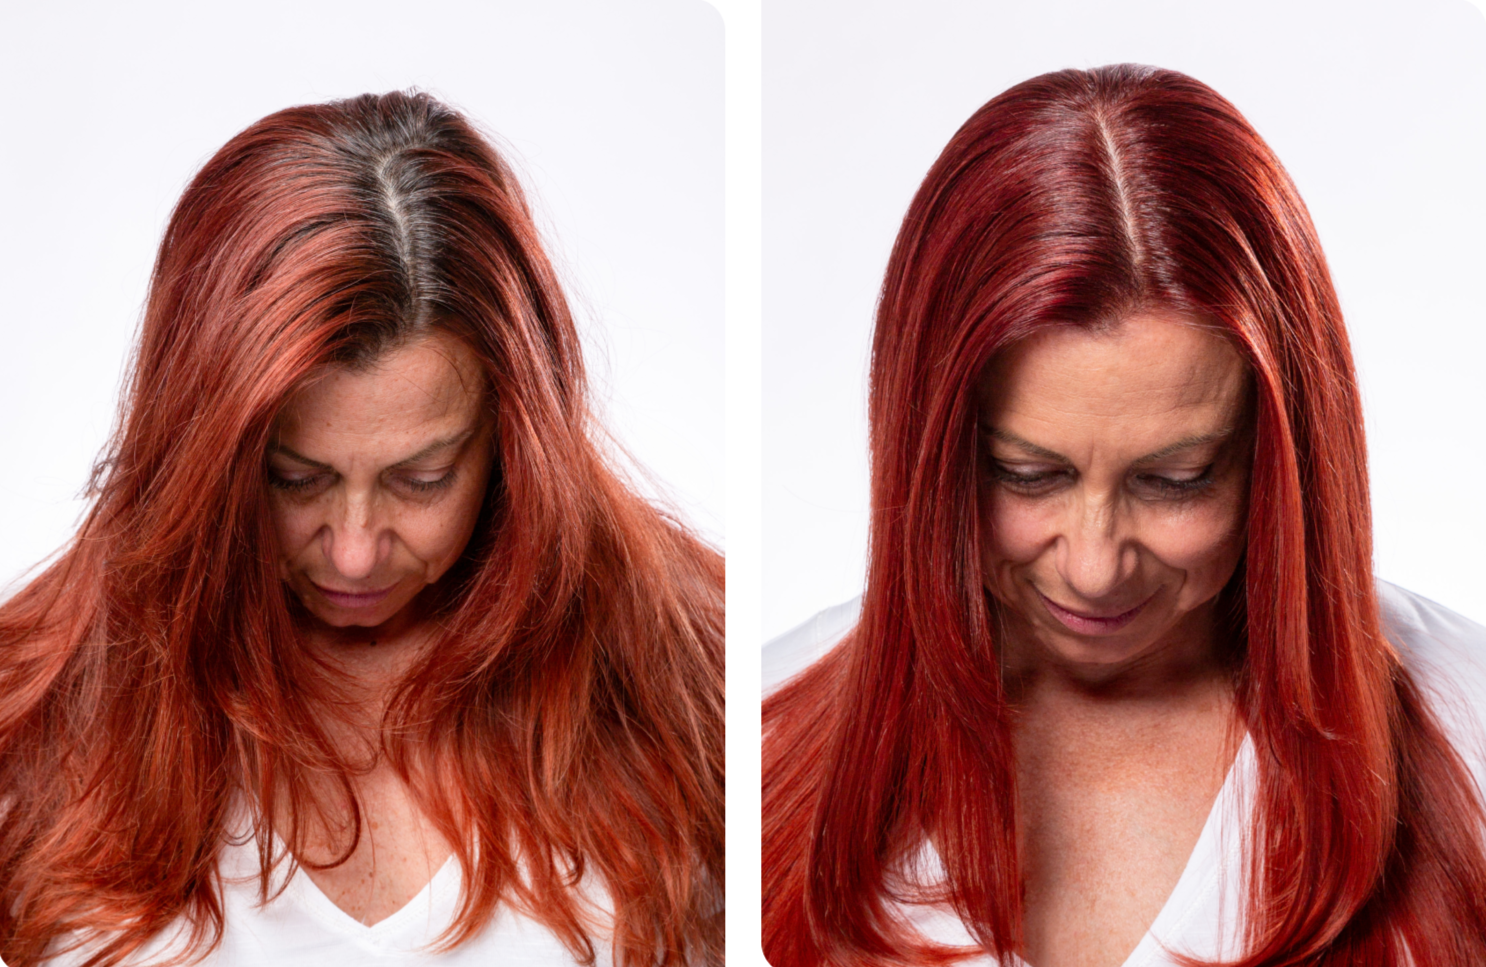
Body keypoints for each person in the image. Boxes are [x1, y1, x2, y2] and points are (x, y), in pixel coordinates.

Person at [762, 64, 1486, 966]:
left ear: (1283, 451)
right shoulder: (751, 735)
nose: (1096, 566)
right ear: (929, 448)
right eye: (1026, 474)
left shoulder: (1472, 726)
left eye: (1176, 478)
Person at [0, 92, 723, 967]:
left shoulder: (703, 686)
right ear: (200, 458)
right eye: (293, 479)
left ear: (514, 438)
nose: (352, 549)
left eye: (422, 479)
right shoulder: (31, 715)